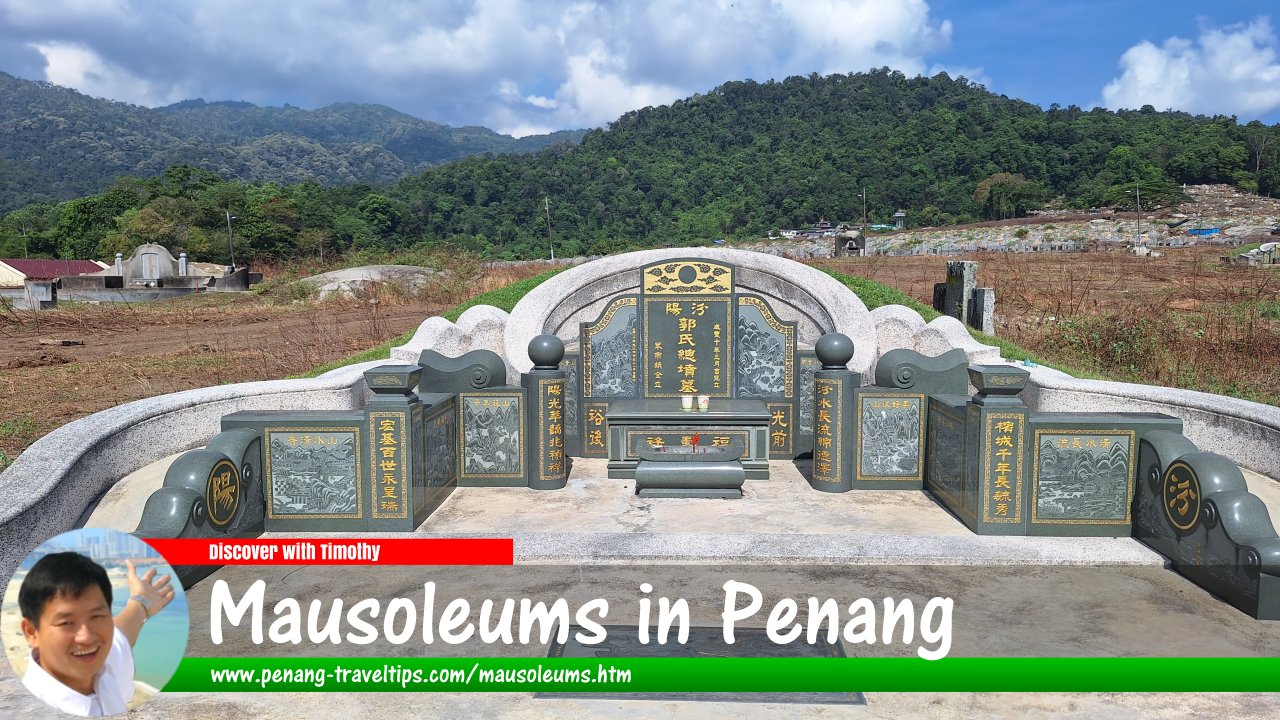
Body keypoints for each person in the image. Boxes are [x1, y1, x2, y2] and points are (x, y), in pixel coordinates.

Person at [18, 552, 176, 717]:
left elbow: (120, 636)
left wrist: (142, 601)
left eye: (96, 616)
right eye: (66, 623)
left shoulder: (101, 664)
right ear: (31, 632)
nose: (86, 637)